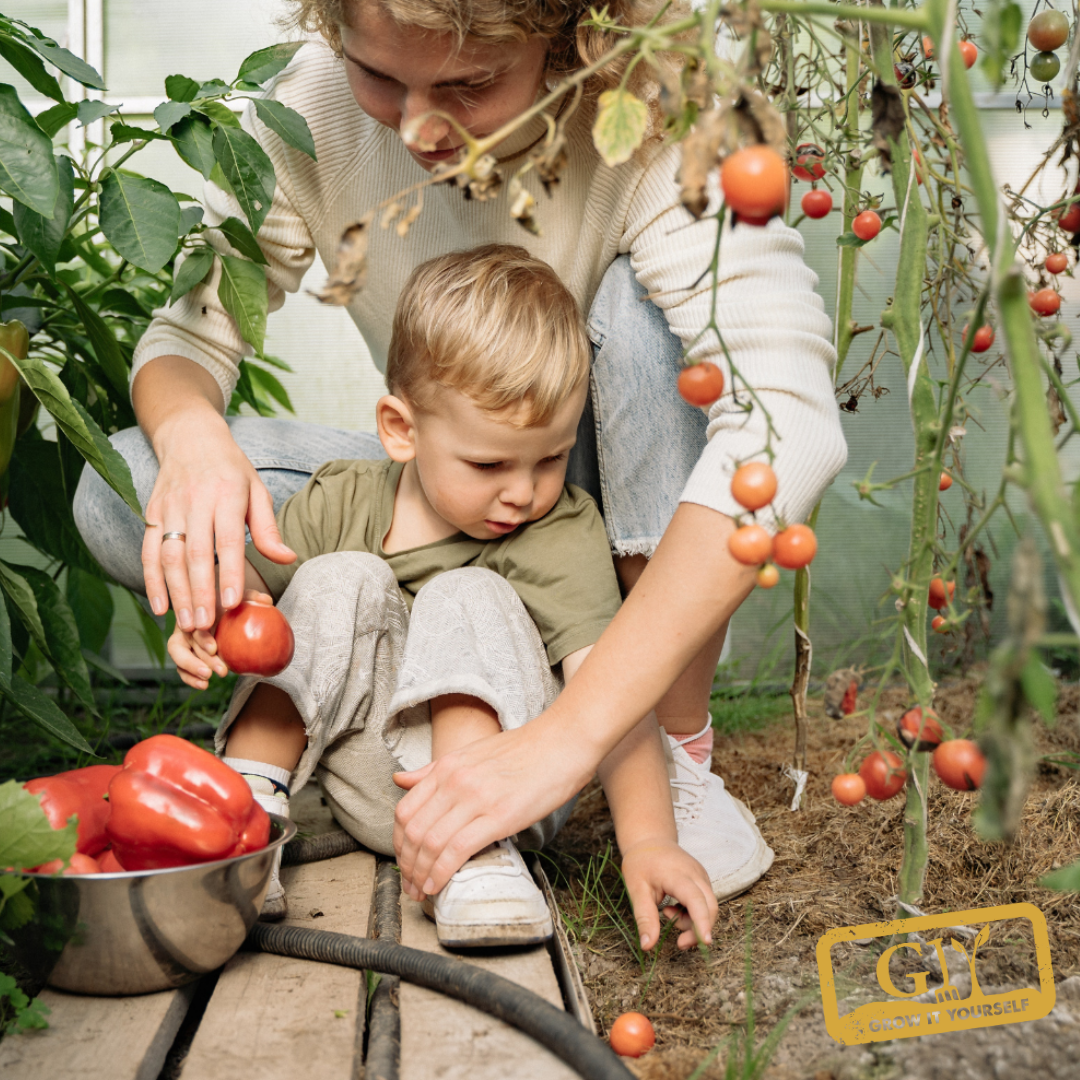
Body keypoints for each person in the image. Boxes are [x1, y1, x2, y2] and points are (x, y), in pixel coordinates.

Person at [74, 0, 846, 909]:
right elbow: (188, 337)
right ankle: (375, 695)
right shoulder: (303, 107)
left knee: (653, 326)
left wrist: (569, 743)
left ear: (569, 45)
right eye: (378, 76)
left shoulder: (660, 111)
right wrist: (194, 435)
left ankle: (668, 751)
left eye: (470, 84)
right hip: (447, 479)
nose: (417, 128)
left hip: (580, 497)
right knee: (125, 486)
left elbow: (783, 420)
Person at [167, 245, 716, 949]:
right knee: (338, 577)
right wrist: (214, 614)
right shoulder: (343, 497)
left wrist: (646, 842)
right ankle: (245, 812)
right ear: (401, 430)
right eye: (489, 463)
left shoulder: (558, 532)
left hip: (505, 790)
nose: (523, 491)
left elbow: (612, 700)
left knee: (468, 591)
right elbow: (254, 605)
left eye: (551, 457)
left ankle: (474, 858)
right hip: (351, 784)